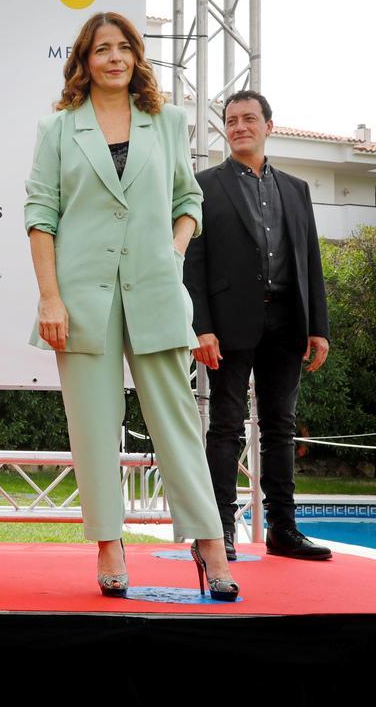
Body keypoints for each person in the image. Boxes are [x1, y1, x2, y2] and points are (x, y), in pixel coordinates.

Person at [23, 11, 239, 600]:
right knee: (93, 428)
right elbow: (41, 215)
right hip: (80, 296)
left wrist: (173, 251)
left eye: (123, 48)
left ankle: (210, 543)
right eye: (101, 49)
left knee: (177, 425)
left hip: (156, 289)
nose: (113, 58)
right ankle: (109, 545)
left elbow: (187, 196)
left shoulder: (166, 121)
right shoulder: (59, 129)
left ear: (136, 57)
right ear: (84, 61)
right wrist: (50, 297)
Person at [184, 90, 331, 561]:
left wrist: (318, 326)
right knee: (224, 427)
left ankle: (282, 530)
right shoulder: (203, 185)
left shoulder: (296, 189)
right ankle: (219, 531)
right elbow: (193, 264)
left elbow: (310, 258)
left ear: (269, 125)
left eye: (249, 118)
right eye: (231, 120)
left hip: (287, 321)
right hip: (226, 325)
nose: (240, 126)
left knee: (280, 428)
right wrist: (199, 327)